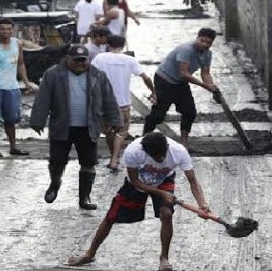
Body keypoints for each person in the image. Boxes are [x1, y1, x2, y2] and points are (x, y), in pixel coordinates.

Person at [67, 132, 210, 271]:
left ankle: (164, 258)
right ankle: (90, 254)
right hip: (138, 183)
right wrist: (161, 193)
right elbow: (134, 181)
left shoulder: (179, 151)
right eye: (156, 157)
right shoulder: (133, 151)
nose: (160, 159)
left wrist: (202, 204)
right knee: (111, 217)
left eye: (162, 156)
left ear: (167, 148)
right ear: (146, 152)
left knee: (166, 214)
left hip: (164, 180)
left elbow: (193, 181)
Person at [29, 45, 121, 210]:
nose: (80, 63)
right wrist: (37, 120)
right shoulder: (53, 74)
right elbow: (43, 98)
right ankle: (55, 183)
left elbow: (109, 99)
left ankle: (84, 197)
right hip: (62, 125)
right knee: (57, 161)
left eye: (83, 60)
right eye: (76, 60)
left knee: (88, 162)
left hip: (88, 126)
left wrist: (115, 120)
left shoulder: (98, 75)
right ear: (67, 59)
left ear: (88, 60)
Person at [142, 28, 219, 149]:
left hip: (180, 83)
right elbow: (184, 73)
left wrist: (212, 87)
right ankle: (144, 139)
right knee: (158, 114)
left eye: (208, 42)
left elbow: (205, 73)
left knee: (190, 112)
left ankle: (184, 143)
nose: (204, 44)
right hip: (165, 80)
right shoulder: (186, 49)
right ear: (197, 38)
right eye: (202, 40)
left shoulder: (207, 54)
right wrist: (204, 86)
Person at [91, 35, 156, 172]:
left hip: (104, 102)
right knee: (122, 131)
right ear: (123, 44)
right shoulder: (130, 60)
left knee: (109, 131)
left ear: (108, 44)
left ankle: (113, 157)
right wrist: (153, 91)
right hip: (123, 103)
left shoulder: (100, 58)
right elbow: (145, 77)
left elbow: (90, 76)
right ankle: (115, 159)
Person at [0, 18, 34, 158]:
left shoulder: (18, 44)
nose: (6, 32)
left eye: (9, 29)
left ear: (13, 30)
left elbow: (20, 63)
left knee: (11, 118)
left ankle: (13, 147)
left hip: (12, 87)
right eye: (3, 29)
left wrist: (26, 82)